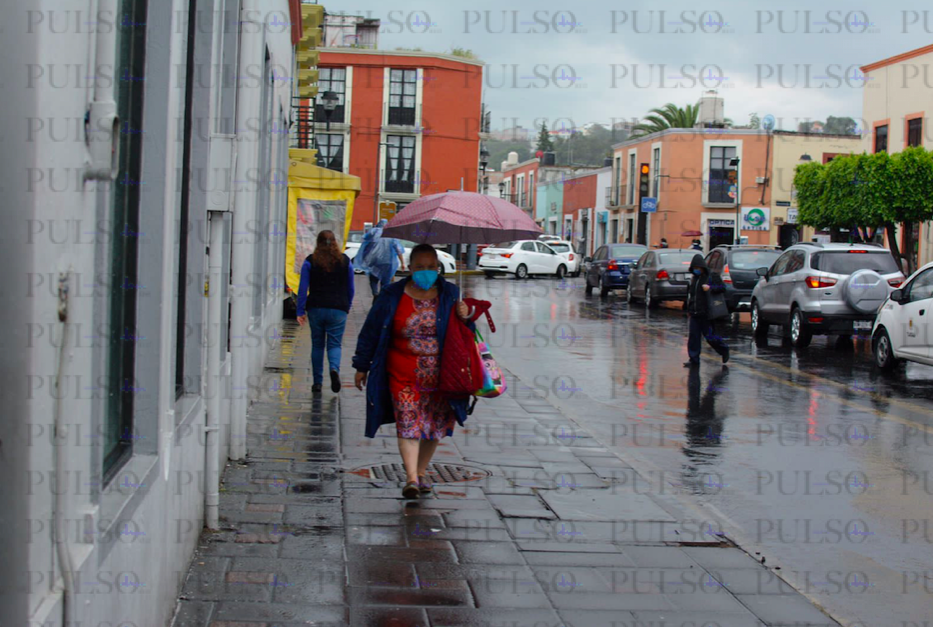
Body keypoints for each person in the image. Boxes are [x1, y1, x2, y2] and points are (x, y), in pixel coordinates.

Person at [352, 244, 476, 499]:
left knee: (434, 425)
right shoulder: (391, 294)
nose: (427, 271)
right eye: (420, 267)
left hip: (442, 376)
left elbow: (467, 336)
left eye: (432, 267)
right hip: (402, 374)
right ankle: (410, 478)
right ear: (409, 268)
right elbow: (371, 330)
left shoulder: (450, 293)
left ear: (438, 267)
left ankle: (420, 473)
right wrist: (361, 365)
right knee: (408, 422)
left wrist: (467, 316)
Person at [296, 230, 355, 395]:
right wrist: (347, 305)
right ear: (334, 242)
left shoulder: (310, 261)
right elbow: (351, 288)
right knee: (334, 344)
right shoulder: (345, 261)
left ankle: (317, 383)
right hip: (338, 309)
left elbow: (302, 289)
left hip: (316, 307)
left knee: (317, 345)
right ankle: (334, 369)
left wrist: (300, 310)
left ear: (318, 242)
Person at [684, 254, 730, 367]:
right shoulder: (694, 279)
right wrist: (688, 309)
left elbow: (722, 288)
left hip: (706, 313)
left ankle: (723, 350)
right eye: (694, 268)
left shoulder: (711, 276)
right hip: (695, 313)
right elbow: (691, 296)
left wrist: (710, 288)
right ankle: (694, 359)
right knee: (694, 337)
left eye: (698, 268)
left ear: (702, 267)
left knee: (710, 337)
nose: (696, 270)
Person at [355, 219, 405, 299]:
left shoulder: (373, 232)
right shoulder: (391, 235)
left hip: (374, 261)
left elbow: (364, 241)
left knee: (373, 279)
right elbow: (398, 249)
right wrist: (402, 263)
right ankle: (382, 296)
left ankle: (375, 294)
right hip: (387, 262)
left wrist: (364, 257)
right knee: (385, 282)